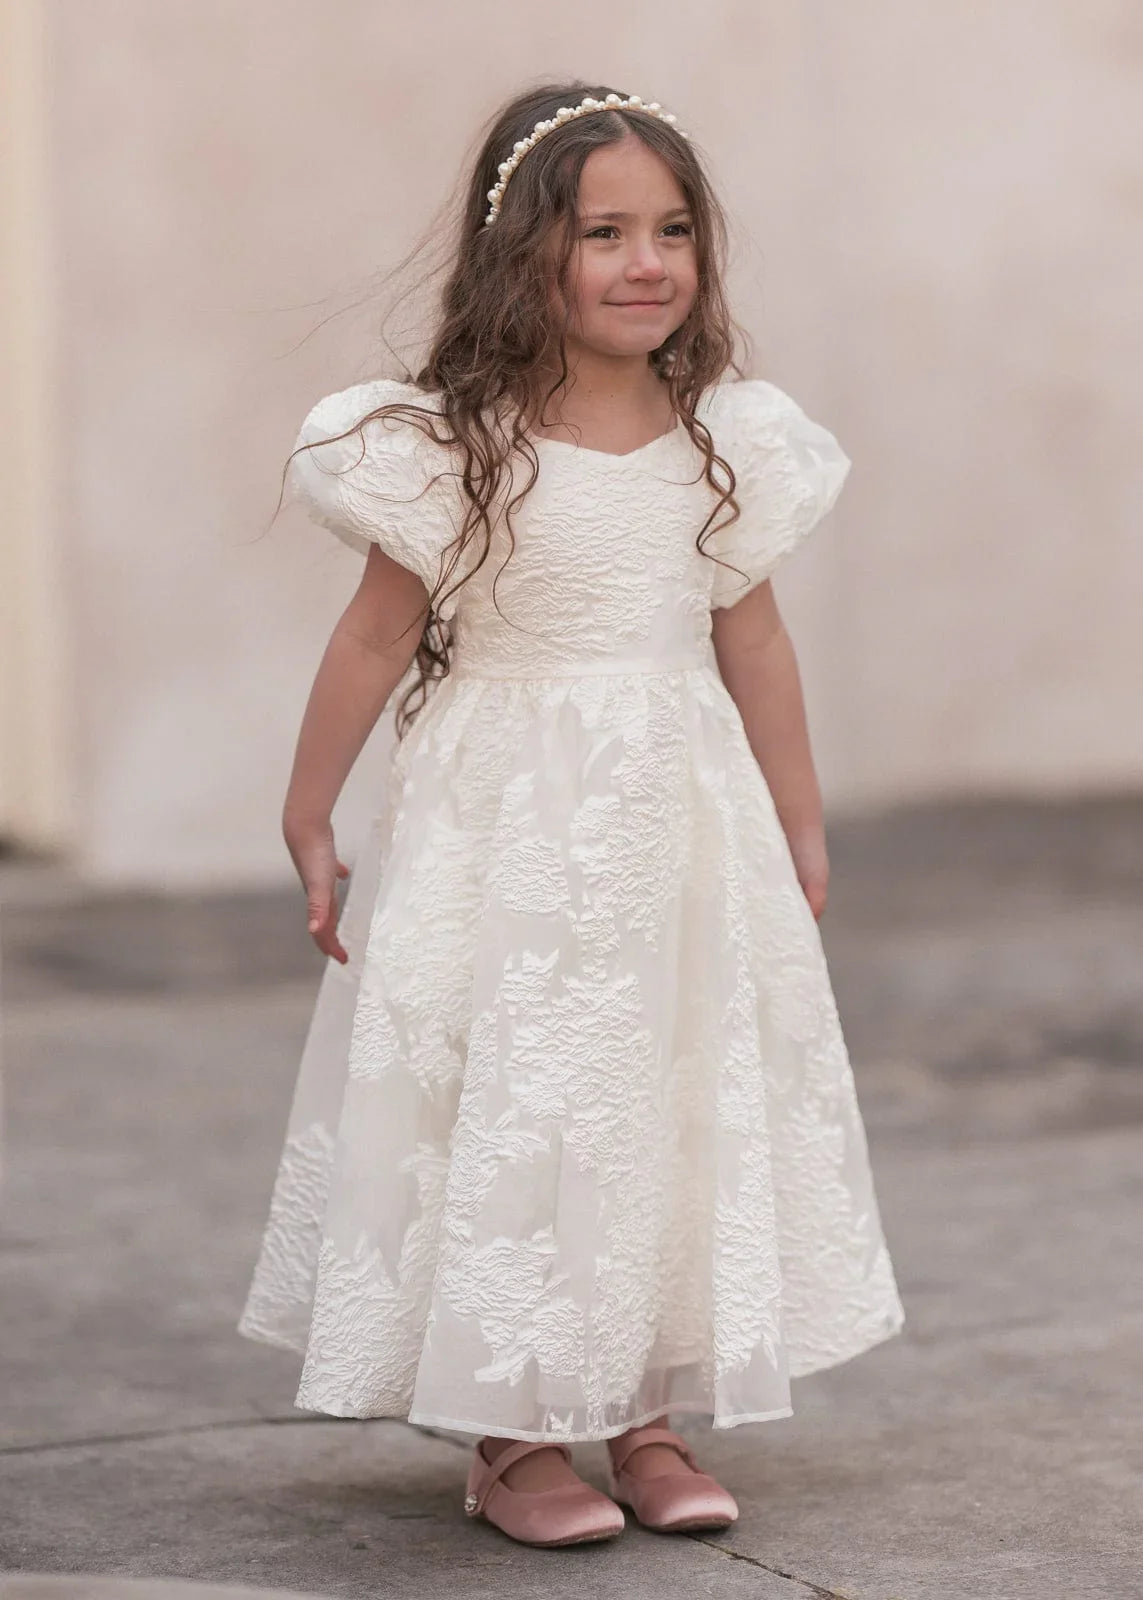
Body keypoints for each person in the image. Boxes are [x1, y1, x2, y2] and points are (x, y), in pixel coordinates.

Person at [238, 80, 905, 1549]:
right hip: (509, 831)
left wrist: (797, 819)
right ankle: (515, 1430)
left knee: (660, 1095)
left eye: (672, 230)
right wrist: (309, 810)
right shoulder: (450, 444)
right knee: (528, 1100)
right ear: (522, 250)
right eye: (603, 232)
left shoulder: (724, 436)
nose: (645, 262)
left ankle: (645, 1412)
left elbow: (755, 640)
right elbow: (372, 635)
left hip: (678, 817)